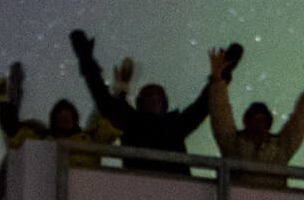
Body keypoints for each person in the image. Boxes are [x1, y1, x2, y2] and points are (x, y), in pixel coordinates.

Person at [69, 30, 229, 155]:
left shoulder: (176, 125)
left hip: (178, 192)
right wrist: (87, 61)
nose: (154, 99)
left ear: (165, 103)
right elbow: (103, 99)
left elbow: (202, 106)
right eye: (149, 96)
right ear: (140, 102)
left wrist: (218, 77)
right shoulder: (131, 122)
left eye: (158, 96)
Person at [204, 48, 304, 171]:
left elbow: (300, 123)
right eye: (255, 118)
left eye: (262, 119)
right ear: (246, 121)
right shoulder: (232, 144)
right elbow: (220, 113)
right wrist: (217, 80)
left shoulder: (281, 148)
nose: (258, 123)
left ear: (268, 123)